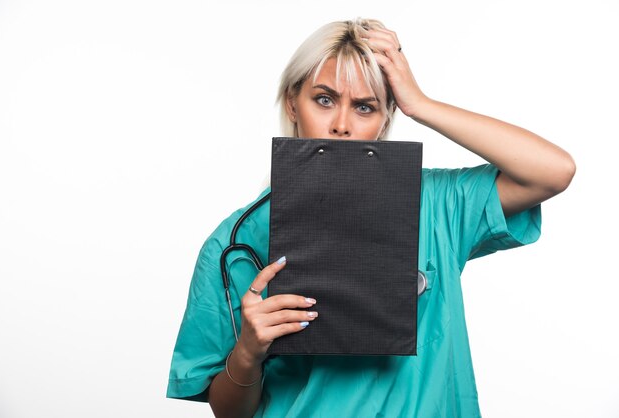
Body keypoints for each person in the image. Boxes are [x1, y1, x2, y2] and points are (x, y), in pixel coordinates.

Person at [166, 18, 575, 417]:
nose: (342, 125)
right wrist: (249, 352)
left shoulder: (433, 203)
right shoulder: (236, 242)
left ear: (385, 119)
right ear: (293, 101)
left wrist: (421, 105)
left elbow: (552, 171)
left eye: (365, 107)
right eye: (324, 100)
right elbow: (228, 411)